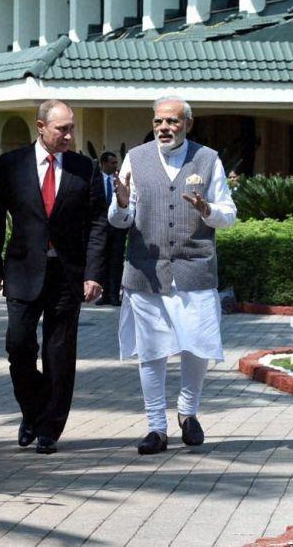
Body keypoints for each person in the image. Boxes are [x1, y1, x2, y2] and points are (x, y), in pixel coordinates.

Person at [109, 95, 236, 455]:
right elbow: (119, 221)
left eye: (173, 122)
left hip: (194, 270)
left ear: (187, 125)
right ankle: (156, 427)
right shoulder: (135, 158)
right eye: (159, 122)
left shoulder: (208, 159)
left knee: (196, 345)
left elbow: (229, 215)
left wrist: (208, 209)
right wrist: (120, 201)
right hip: (145, 273)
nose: (165, 128)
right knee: (151, 351)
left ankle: (188, 413)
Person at [0, 99, 107, 454]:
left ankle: (50, 427)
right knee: (19, 347)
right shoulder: (12, 165)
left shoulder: (86, 168)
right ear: (40, 127)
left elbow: (98, 223)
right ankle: (33, 411)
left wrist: (94, 273)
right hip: (22, 271)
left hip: (68, 274)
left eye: (72, 128)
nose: (69, 135)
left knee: (59, 354)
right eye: (61, 129)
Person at [97, 151, 127, 306]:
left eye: (116, 163)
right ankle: (105, 294)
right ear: (103, 164)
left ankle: (114, 295)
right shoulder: (95, 179)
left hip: (118, 229)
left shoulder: (120, 180)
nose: (115, 165)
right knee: (102, 262)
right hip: (100, 229)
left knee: (116, 262)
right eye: (112, 163)